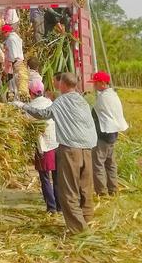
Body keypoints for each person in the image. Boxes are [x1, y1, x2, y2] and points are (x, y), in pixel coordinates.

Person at [26, 73, 97, 233]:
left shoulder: (62, 101)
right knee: (85, 187)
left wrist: (23, 106)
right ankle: (88, 219)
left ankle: (79, 229)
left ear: (63, 84)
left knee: (68, 190)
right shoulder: (82, 101)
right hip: (88, 148)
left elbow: (42, 115)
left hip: (71, 149)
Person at [17, 78, 60, 213]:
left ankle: (51, 207)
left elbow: (24, 123)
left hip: (44, 147)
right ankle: (59, 206)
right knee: (57, 176)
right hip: (57, 144)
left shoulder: (31, 107)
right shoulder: (50, 102)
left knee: (45, 177)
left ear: (31, 92)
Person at [91, 71, 129, 197]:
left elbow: (94, 113)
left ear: (102, 83)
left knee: (98, 163)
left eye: (95, 83)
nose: (94, 86)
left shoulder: (104, 98)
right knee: (110, 163)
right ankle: (113, 189)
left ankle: (102, 192)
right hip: (112, 134)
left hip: (103, 134)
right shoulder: (113, 95)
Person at [2, 23, 24, 96]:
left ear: (7, 32)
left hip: (14, 61)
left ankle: (14, 94)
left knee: (13, 79)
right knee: (17, 79)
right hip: (20, 60)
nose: (3, 35)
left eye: (3, 33)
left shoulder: (10, 39)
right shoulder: (17, 37)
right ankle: (15, 94)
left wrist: (10, 62)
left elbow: (12, 52)